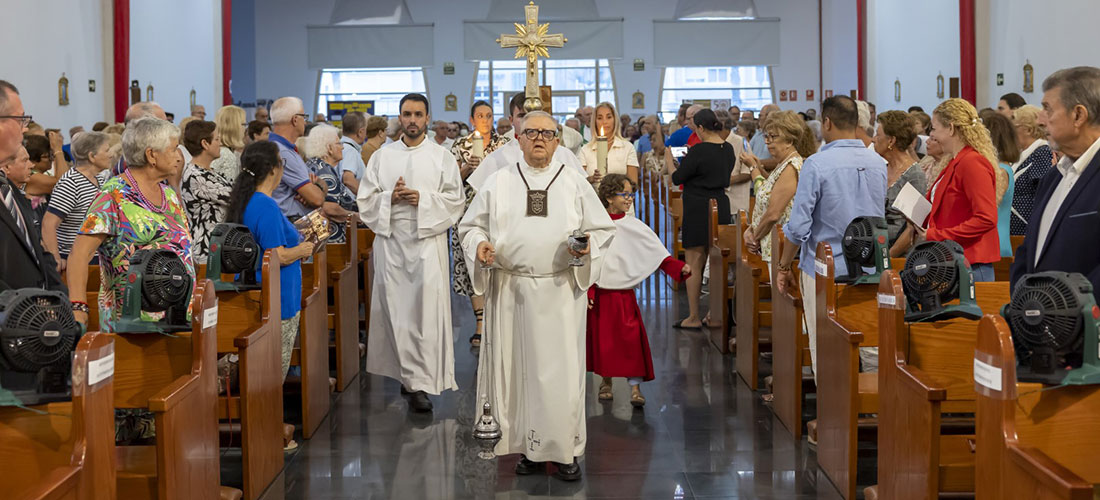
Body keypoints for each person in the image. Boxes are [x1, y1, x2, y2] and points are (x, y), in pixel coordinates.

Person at [459, 110, 615, 482]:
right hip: (510, 289)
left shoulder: (574, 182)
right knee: (517, 373)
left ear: (558, 141)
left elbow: (601, 229)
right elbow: (470, 226)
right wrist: (480, 244)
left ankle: (564, 452)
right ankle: (527, 449)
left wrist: (583, 248)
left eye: (547, 133)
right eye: (531, 132)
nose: (539, 139)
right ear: (519, 138)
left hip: (560, 290)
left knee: (560, 374)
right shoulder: (498, 181)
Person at [356, 93, 465, 413]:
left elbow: (455, 201)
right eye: (407, 114)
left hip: (427, 245)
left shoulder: (441, 156)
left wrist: (422, 199)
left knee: (425, 313)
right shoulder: (383, 156)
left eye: (418, 114)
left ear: (428, 118)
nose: (413, 119)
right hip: (391, 245)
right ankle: (407, 378)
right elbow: (366, 200)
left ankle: (420, 380)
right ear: (399, 118)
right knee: (397, 313)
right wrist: (391, 197)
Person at [774, 95, 887, 377]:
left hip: (825, 266)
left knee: (824, 340)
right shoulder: (877, 162)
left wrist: (784, 265)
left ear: (827, 122)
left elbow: (799, 226)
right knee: (870, 338)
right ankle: (875, 409)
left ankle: (831, 415)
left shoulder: (817, 164)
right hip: (869, 264)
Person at [67, 118, 193, 333]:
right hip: (131, 325)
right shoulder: (113, 196)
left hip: (178, 318)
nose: (178, 156)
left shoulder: (169, 194)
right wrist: (79, 307)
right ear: (151, 155)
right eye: (173, 149)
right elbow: (79, 255)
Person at [588, 174, 689, 407]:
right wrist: (590, 289)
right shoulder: (596, 225)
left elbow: (654, 251)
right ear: (608, 197)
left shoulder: (634, 225)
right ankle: (606, 382)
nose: (629, 198)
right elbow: (592, 260)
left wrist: (678, 268)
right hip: (602, 294)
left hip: (623, 295)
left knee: (630, 340)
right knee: (605, 342)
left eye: (631, 194)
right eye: (624, 194)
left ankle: (635, 387)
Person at [225, 141, 315, 381]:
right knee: (275, 368)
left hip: (260, 293)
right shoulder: (265, 205)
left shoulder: (248, 200)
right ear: (274, 169)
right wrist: (303, 248)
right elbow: (275, 255)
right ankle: (272, 417)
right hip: (278, 297)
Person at [1010, 66, 1100, 301]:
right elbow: (1028, 250)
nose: (1040, 119)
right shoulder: (1054, 176)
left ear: (1078, 115)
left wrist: (1065, 311)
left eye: (1048, 108)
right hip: (1037, 323)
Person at [907, 98, 1000, 281]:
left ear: (950, 128)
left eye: (933, 129)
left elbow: (986, 218)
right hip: (953, 259)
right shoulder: (954, 161)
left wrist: (937, 234)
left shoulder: (972, 162)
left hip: (971, 262)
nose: (931, 136)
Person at [449, 100, 510, 347]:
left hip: (497, 211)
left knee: (497, 260)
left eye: (489, 115)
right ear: (472, 120)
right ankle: (480, 323)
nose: (485, 120)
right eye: (480, 116)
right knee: (473, 263)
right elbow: (452, 182)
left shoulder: (503, 145)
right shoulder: (459, 145)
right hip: (467, 211)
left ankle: (500, 318)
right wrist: (466, 168)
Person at [669, 109, 735, 330]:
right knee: (717, 265)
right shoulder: (729, 149)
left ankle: (694, 316)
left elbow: (678, 177)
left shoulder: (698, 150)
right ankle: (715, 314)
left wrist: (670, 163)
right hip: (721, 206)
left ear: (700, 128)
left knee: (694, 264)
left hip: (698, 207)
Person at [0, 80, 65, 292]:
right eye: (20, 119)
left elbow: (37, 249)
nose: (25, 128)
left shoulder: (9, 188)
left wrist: (60, 296)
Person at [468, 92, 584, 191]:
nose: (529, 120)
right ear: (511, 120)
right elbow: (484, 197)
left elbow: (580, 190)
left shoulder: (564, 154)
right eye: (522, 115)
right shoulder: (496, 158)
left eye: (533, 115)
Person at [267, 96, 349, 225]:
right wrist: (314, 191)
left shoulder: (285, 149)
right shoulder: (282, 153)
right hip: (289, 223)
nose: (305, 122)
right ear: (295, 120)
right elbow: (316, 200)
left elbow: (320, 183)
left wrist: (316, 186)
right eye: (304, 117)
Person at [42, 131, 112, 270]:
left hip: (96, 259)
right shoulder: (71, 183)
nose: (111, 154)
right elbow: (48, 224)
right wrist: (55, 259)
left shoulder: (100, 178)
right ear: (92, 156)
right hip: (74, 260)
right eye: (106, 150)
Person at [181, 120, 232, 264]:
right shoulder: (196, 176)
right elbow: (236, 197)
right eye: (217, 139)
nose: (220, 143)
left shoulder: (209, 172)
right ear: (205, 144)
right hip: (207, 251)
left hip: (218, 248)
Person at [873, 110, 928, 248]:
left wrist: (887, 259)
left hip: (897, 258)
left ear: (891, 140)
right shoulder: (880, 168)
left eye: (878, 135)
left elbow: (912, 230)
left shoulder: (914, 175)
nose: (873, 139)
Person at [303, 124, 357, 243]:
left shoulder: (314, 165)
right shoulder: (325, 172)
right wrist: (354, 216)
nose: (342, 148)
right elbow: (329, 208)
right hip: (330, 242)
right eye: (339, 144)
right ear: (329, 148)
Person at [1008, 104, 1054, 235]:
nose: (1011, 132)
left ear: (1028, 130)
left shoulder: (1042, 153)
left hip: (1027, 227)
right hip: (1017, 229)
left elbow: (1042, 192)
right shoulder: (1025, 153)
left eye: (1014, 127)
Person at [980, 111, 1019, 258]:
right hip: (991, 241)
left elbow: (989, 207)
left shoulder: (1001, 171)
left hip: (995, 243)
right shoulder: (995, 168)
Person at [581, 101, 640, 188]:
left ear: (615, 120)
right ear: (595, 121)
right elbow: (579, 182)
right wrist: (592, 179)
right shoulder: (585, 150)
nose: (605, 122)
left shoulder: (627, 147)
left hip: (621, 198)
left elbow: (633, 183)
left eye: (609, 117)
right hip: (594, 199)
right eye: (600, 118)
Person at [210, 105, 247, 183]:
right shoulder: (227, 156)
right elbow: (228, 192)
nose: (245, 128)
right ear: (234, 127)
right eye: (243, 124)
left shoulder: (217, 151)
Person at [337, 111, 368, 194]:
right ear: (360, 132)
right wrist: (367, 197)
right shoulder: (350, 151)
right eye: (365, 130)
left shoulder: (341, 146)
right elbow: (348, 180)